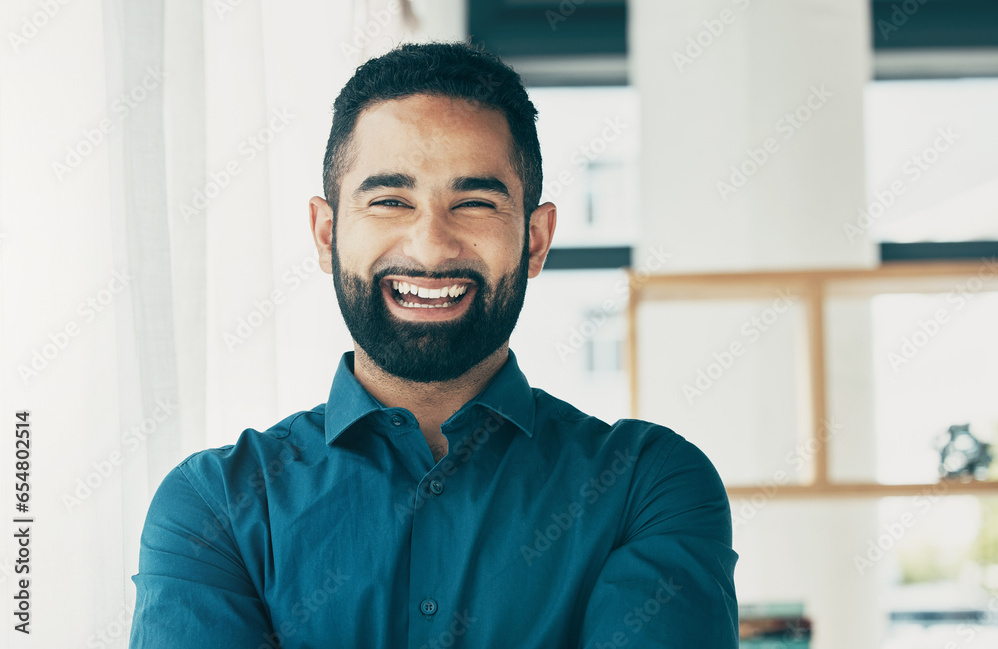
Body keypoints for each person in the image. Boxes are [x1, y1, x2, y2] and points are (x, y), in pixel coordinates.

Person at [129, 41, 738, 648]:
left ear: (535, 239)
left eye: (473, 203)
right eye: (390, 201)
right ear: (326, 231)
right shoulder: (215, 510)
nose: (430, 246)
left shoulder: (647, 487)